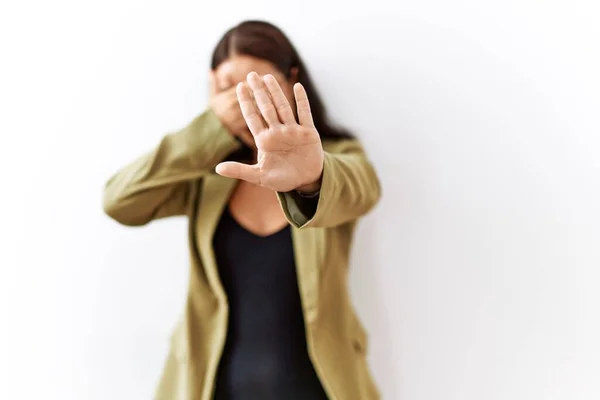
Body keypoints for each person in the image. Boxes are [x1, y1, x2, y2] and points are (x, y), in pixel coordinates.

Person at [103, 20, 381, 400]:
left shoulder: (336, 157)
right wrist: (209, 131)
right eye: (225, 89)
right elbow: (120, 201)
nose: (240, 103)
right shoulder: (204, 173)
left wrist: (313, 176)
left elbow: (362, 188)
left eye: (254, 87)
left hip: (320, 388)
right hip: (210, 388)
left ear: (289, 80)